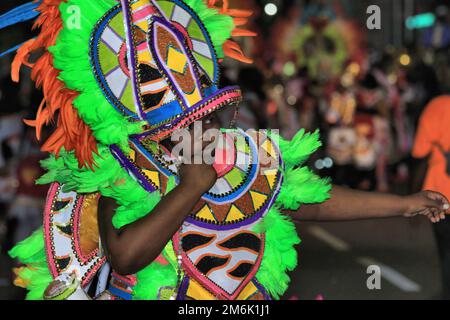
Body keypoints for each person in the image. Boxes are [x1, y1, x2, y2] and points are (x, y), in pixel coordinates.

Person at [3, 0, 449, 301]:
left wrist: (403, 204)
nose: (205, 127)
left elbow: (305, 201)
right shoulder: (117, 163)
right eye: (191, 120)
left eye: (210, 116)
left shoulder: (236, 151)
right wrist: (192, 187)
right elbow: (126, 254)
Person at [412, 95, 450, 299]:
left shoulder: (437, 106)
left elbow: (419, 152)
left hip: (442, 193)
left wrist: (413, 194)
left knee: (446, 248)